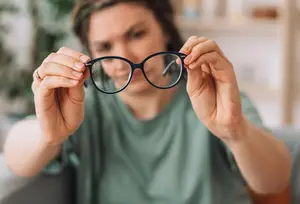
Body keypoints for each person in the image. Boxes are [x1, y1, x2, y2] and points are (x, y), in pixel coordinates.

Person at [3, 0, 292, 203]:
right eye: (105, 46)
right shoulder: (86, 108)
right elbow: (17, 159)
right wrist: (47, 135)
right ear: (91, 54)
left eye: (136, 34)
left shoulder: (216, 100)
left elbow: (275, 180)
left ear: (165, 31)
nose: (125, 56)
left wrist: (235, 132)